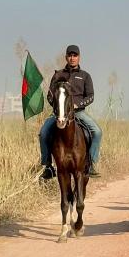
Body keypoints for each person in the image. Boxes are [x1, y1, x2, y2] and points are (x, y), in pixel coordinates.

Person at [39, 45, 103, 179]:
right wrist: (58, 106)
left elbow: (90, 96)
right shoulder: (58, 75)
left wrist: (77, 105)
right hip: (59, 114)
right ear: (66, 57)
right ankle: (48, 166)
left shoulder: (85, 76)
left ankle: (90, 164)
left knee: (97, 132)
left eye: (75, 55)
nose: (72, 58)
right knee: (43, 132)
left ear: (79, 57)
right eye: (70, 55)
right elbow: (50, 96)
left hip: (78, 113)